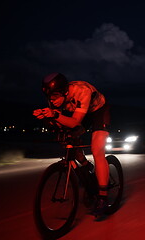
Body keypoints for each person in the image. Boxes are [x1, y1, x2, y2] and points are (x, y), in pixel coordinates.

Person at [33, 73, 110, 215]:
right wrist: (47, 118)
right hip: (81, 113)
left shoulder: (82, 91)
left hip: (98, 111)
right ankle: (87, 167)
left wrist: (54, 115)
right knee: (67, 140)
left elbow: (75, 122)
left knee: (97, 150)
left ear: (65, 92)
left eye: (55, 96)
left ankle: (103, 198)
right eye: (49, 97)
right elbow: (59, 122)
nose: (52, 100)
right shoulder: (55, 98)